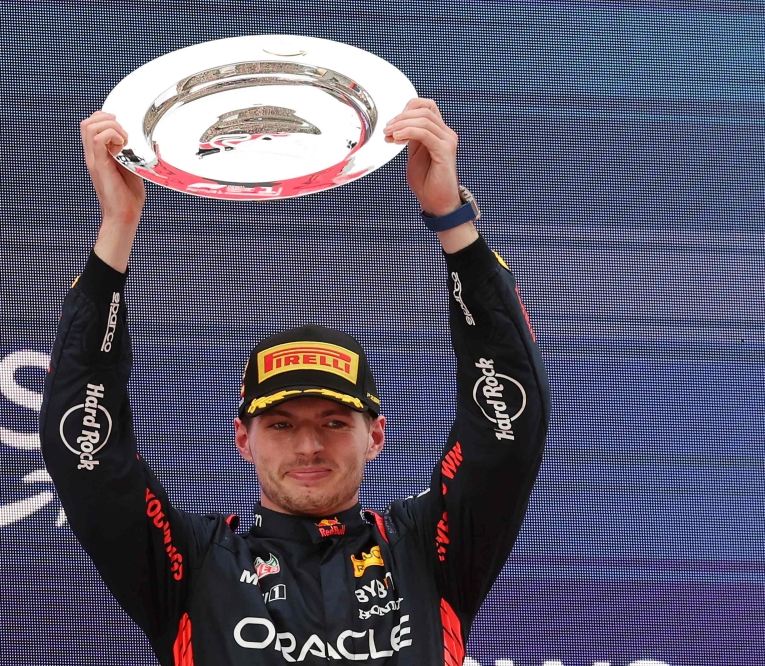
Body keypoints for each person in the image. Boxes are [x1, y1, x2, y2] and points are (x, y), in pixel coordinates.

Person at [40, 98, 550, 666]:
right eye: (281, 424)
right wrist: (117, 228)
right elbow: (87, 457)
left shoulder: (427, 551)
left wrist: (454, 222)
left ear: (375, 435)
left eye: (334, 422)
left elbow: (507, 428)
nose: (308, 446)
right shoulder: (196, 563)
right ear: (243, 440)